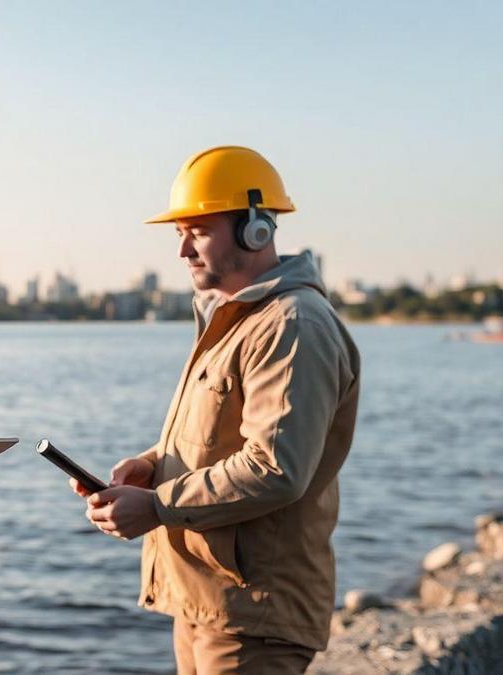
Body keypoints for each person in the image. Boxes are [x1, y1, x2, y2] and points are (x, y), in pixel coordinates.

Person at [70, 146, 360, 673]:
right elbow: (219, 435)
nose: (182, 250)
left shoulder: (292, 325)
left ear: (256, 229)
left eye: (197, 231)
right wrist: (154, 464)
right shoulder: (236, 320)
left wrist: (157, 505)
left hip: (255, 616)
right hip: (209, 602)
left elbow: (276, 468)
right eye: (177, 233)